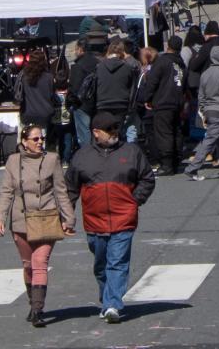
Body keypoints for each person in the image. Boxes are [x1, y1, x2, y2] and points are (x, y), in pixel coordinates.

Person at [65, 111, 156, 324]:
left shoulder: (131, 151)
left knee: (117, 262)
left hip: (124, 218)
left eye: (116, 128)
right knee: (101, 264)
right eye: (109, 130)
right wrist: (67, 216)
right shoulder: (82, 156)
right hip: (94, 221)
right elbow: (70, 188)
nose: (115, 132)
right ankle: (106, 296)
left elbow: (147, 179)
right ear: (96, 133)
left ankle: (112, 304)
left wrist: (134, 201)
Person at [0, 123, 76, 327]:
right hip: (21, 220)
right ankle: (33, 303)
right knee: (28, 264)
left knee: (40, 262)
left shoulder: (52, 159)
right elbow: (6, 191)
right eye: (35, 139)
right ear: (24, 142)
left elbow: (60, 191)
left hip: (46, 218)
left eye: (42, 138)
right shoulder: (14, 161)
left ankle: (38, 310)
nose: (40, 142)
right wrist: (0, 218)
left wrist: (69, 219)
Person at [184, 46, 219, 181]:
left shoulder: (205, 74)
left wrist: (203, 111)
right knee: (210, 140)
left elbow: (201, 96)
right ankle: (192, 168)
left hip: (209, 111)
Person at [142, 35, 186, 174]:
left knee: (164, 133)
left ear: (168, 47)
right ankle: (176, 160)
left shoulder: (162, 62)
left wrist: (147, 98)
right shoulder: (181, 64)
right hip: (177, 101)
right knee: (176, 131)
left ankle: (167, 164)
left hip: (163, 102)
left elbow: (152, 82)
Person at [15, 49, 57, 138]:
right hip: (44, 114)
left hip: (27, 113)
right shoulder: (49, 77)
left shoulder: (23, 76)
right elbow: (51, 95)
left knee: (26, 141)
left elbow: (17, 93)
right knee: (40, 141)